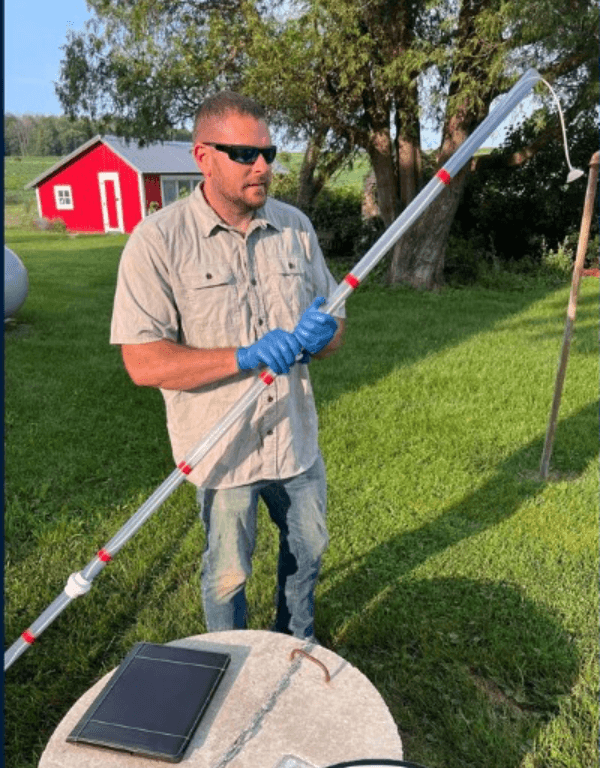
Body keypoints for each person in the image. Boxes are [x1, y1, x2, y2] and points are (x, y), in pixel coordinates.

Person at [110, 91, 345, 642]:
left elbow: (336, 324)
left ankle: (294, 647)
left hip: (294, 440)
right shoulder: (158, 243)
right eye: (244, 153)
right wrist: (243, 356)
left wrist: (323, 334)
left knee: (308, 549)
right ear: (204, 156)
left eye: (268, 151)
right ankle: (230, 660)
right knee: (227, 576)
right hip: (221, 449)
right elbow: (143, 362)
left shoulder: (295, 228)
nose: (263, 166)